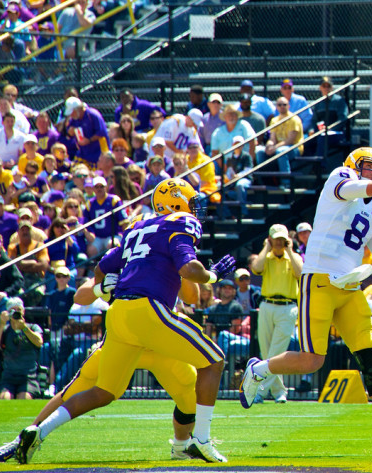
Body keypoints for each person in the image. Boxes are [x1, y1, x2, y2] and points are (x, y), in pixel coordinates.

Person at [14, 178, 234, 465]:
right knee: (214, 361)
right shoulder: (179, 222)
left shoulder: (138, 228)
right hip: (149, 312)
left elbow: (100, 267)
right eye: (190, 204)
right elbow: (188, 267)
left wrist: (111, 285)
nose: (194, 210)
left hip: (119, 315)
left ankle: (38, 431)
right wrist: (214, 274)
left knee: (104, 391)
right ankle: (202, 440)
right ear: (175, 204)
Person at [240, 148, 372, 456]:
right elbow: (371, 188)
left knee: (371, 361)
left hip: (350, 286)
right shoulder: (340, 177)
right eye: (367, 167)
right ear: (353, 165)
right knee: (312, 359)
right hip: (318, 279)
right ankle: (259, 369)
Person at [249, 224, 301, 404]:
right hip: (266, 305)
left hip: (287, 307)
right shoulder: (267, 256)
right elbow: (256, 267)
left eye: (281, 239)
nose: (279, 243)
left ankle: (260, 392)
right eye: (275, 239)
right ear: (270, 239)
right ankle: (279, 391)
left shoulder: (293, 257)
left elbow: (300, 272)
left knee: (276, 351)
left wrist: (290, 250)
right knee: (267, 351)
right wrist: (266, 247)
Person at [0, 296, 43, 400]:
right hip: (8, 377)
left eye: (19, 310)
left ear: (24, 311)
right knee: (5, 397)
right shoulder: (4, 330)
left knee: (24, 398)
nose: (16, 313)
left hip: (28, 378)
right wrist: (1, 324)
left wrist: (24, 328)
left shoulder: (32, 327)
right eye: (13, 310)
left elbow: (39, 342)